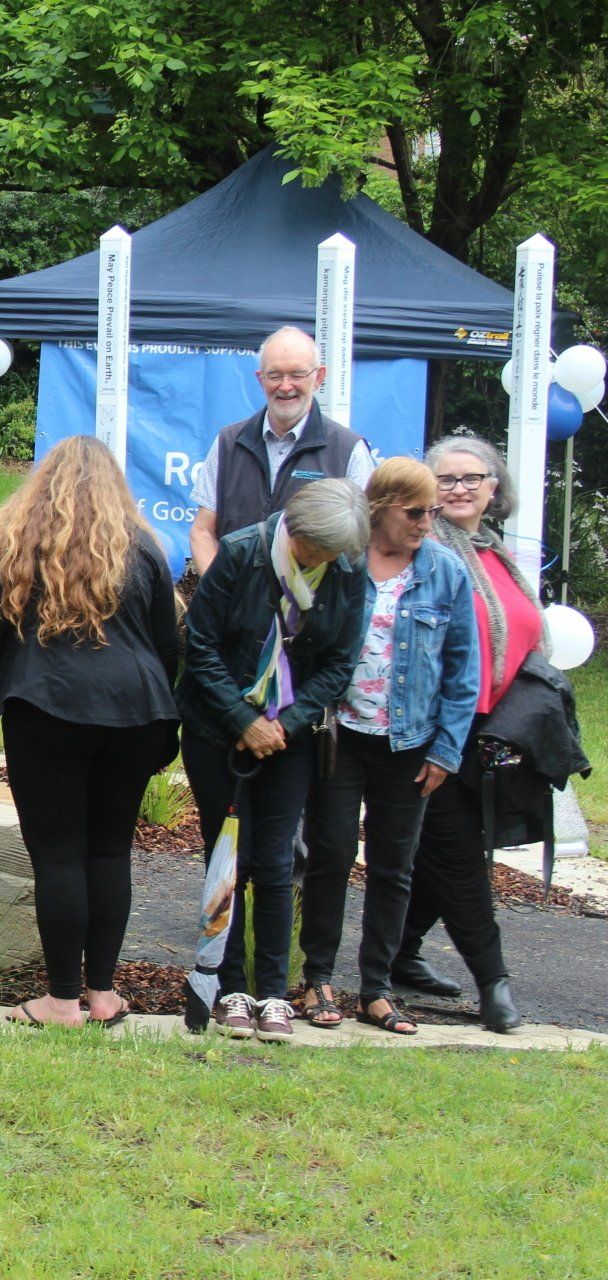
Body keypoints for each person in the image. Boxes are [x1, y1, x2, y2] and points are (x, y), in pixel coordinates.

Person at [0, 436, 180, 1028]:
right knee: (109, 851)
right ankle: (103, 993)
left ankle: (60, 999)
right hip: (136, 712)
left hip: (47, 706)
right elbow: (167, 642)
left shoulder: (19, 541)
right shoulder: (143, 548)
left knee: (57, 856)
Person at [177, 480, 369, 1041]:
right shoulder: (242, 552)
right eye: (318, 551)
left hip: (291, 736)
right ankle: (231, 987)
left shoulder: (347, 570)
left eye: (336, 555)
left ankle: (273, 995)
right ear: (296, 532)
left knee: (279, 861)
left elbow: (340, 661)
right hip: (219, 732)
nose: (326, 563)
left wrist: (284, 723)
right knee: (229, 858)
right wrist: (244, 720)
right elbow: (202, 643)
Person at [296, 458, 478, 1034]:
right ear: (380, 508)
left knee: (394, 867)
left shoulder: (446, 573)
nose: (428, 521)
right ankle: (317, 979)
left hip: (409, 742)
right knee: (328, 857)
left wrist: (446, 750)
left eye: (433, 511)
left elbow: (462, 670)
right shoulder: (342, 562)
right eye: (416, 511)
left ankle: (376, 989)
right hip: (340, 736)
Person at [393, 436, 549, 1032]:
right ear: (427, 493)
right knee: (459, 859)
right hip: (432, 730)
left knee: (449, 850)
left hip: (492, 730)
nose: (459, 488)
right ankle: (495, 983)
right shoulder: (423, 553)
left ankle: (401, 954)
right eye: (447, 479)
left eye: (472, 478)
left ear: (493, 488)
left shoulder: (496, 554)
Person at [188, 326, 374, 574]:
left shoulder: (349, 450)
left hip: (312, 606)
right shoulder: (227, 443)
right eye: (274, 375)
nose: (285, 386)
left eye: (297, 374)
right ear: (260, 379)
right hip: (236, 607)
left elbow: (361, 544)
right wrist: (220, 595)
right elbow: (202, 531)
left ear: (319, 377)